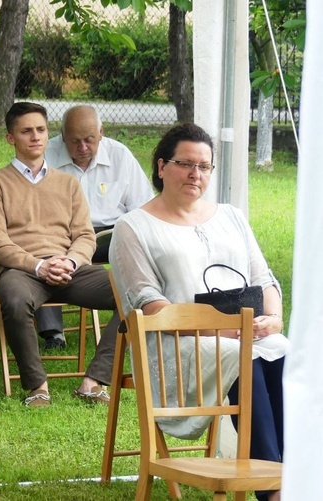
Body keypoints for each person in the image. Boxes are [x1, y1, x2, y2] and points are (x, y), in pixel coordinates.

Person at [110, 123, 287, 501]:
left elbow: (264, 277)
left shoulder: (231, 216)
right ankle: (273, 489)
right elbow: (148, 303)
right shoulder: (133, 227)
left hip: (245, 334)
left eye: (204, 167)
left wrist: (273, 318)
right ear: (160, 167)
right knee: (245, 357)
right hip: (177, 343)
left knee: (285, 352)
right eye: (185, 163)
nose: (196, 174)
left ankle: (293, 472)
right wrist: (221, 331)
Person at [0, 102, 120, 407]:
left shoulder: (68, 184)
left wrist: (69, 261)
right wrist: (39, 266)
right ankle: (37, 387)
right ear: (10, 138)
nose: (35, 137)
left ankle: (94, 381)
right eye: (26, 131)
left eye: (40, 130)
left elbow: (84, 236)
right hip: (22, 270)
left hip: (69, 268)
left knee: (132, 293)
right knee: (14, 300)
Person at [37, 105, 153, 350]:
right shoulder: (45, 156)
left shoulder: (120, 155)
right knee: (44, 249)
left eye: (89, 140)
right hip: (62, 235)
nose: (82, 148)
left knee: (142, 245)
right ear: (62, 136)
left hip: (110, 234)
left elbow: (142, 208)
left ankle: (148, 314)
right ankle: (53, 332)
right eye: (74, 141)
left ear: (101, 132)